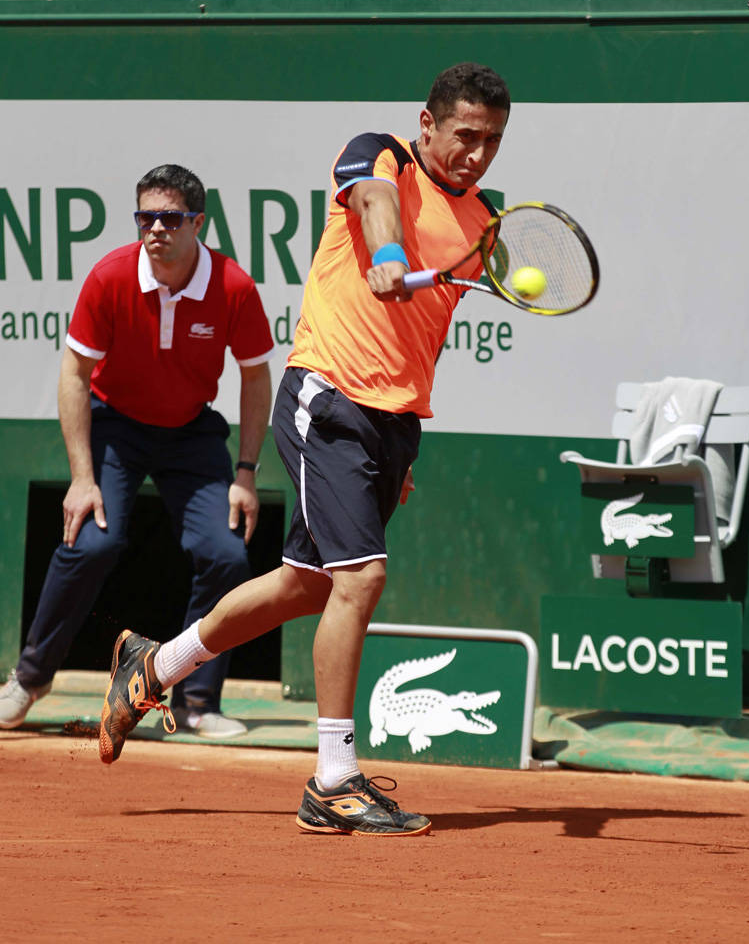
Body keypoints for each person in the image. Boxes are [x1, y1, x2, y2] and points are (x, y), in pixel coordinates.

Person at [98, 63, 511, 836]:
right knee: (361, 578)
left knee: (306, 585)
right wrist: (388, 256)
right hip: (329, 398)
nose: (477, 154)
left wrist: (404, 441)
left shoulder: (483, 218)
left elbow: (428, 333)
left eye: (492, 141)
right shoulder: (379, 154)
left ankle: (155, 665)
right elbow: (375, 204)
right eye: (465, 136)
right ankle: (333, 778)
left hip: (393, 419)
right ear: (427, 125)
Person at [0, 164, 274, 739]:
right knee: (91, 542)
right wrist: (82, 477)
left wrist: (246, 473)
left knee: (226, 555)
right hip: (116, 428)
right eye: (145, 218)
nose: (155, 229)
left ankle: (197, 701)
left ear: (198, 222)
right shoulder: (110, 277)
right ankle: (28, 680)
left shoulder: (233, 287)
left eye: (170, 218)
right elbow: (75, 374)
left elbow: (255, 377)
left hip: (192, 433)